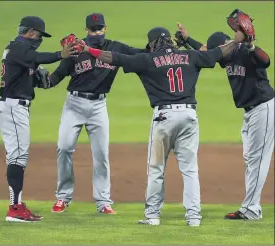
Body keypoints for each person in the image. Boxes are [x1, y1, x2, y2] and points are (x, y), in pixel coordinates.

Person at [78, 26, 245, 226]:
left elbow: (114, 58)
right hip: (189, 116)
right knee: (190, 170)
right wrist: (238, 40)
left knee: (157, 169)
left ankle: (153, 216)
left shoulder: (146, 60)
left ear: (153, 44)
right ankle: (193, 217)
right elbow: (218, 52)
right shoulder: (191, 56)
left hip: (164, 118)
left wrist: (89, 50)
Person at [45, 13, 147, 214]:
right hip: (73, 105)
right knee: (64, 148)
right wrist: (40, 79)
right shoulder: (75, 50)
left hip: (98, 106)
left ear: (106, 29)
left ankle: (103, 202)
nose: (96, 33)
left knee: (101, 155)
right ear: (86, 30)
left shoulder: (116, 48)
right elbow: (56, 77)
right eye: (93, 29)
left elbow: (140, 55)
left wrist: (158, 49)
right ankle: (63, 197)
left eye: (99, 29)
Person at [176, 21, 274, 220]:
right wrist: (187, 40)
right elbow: (205, 52)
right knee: (250, 158)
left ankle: (251, 209)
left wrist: (251, 45)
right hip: (250, 113)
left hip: (263, 107)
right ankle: (252, 206)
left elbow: (265, 61)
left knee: (257, 160)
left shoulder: (243, 51)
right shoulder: (226, 56)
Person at [0, 16, 76, 222]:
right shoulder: (17, 48)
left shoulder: (25, 56)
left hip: (16, 108)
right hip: (12, 107)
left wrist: (68, 61)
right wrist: (60, 54)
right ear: (31, 32)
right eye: (39, 35)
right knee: (17, 158)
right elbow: (39, 57)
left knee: (19, 157)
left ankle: (17, 206)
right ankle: (14, 209)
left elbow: (47, 82)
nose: (40, 39)